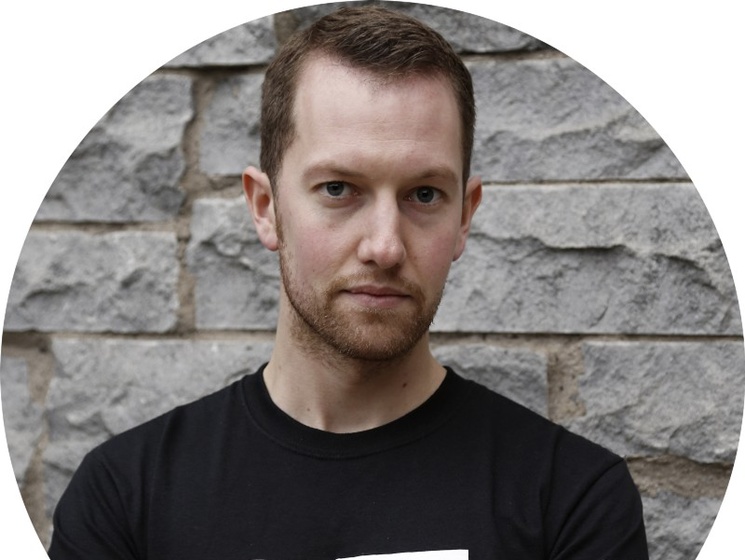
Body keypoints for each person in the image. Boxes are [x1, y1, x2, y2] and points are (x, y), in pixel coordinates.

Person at [48, 6, 648, 559]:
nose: (384, 246)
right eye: (338, 189)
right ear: (265, 207)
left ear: (464, 217)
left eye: (424, 194)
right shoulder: (125, 499)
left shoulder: (571, 502)